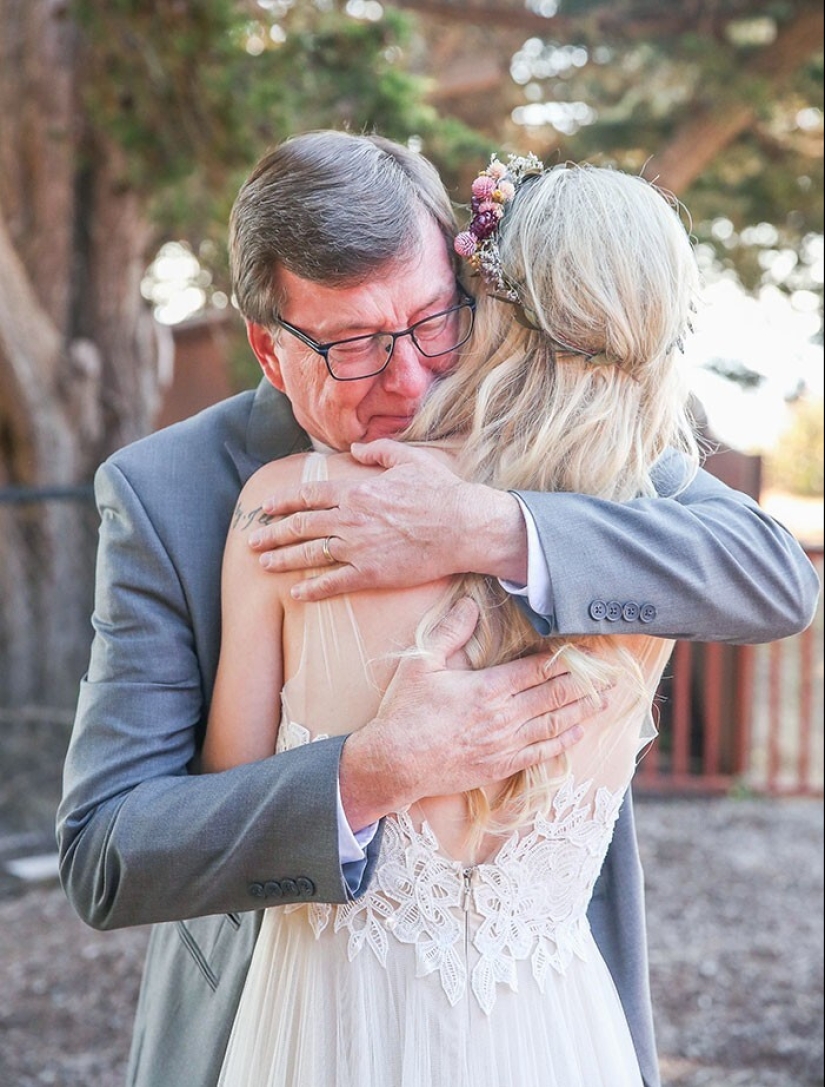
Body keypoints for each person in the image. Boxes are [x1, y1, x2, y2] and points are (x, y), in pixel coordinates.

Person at [55, 131, 819, 1087]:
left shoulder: (559, 436)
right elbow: (106, 851)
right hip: (278, 1021)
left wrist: (488, 526)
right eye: (349, 346)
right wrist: (370, 774)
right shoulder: (168, 491)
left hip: (541, 1013)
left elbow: (773, 575)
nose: (411, 380)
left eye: (430, 322)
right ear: (267, 346)